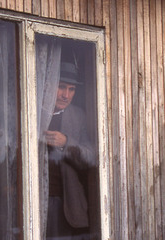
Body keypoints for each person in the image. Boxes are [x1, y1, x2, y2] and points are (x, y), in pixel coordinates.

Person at [45, 62, 96, 240]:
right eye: (61, 87)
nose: (66, 95)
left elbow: (91, 158)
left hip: (65, 203)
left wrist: (66, 142)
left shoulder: (78, 116)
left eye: (72, 89)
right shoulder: (35, 113)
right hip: (35, 199)